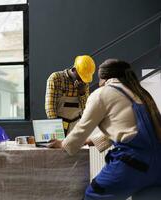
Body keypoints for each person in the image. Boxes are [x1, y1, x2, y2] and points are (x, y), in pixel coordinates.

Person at [49, 59, 161, 199]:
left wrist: (63, 144)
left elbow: (82, 128)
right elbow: (127, 128)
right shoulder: (140, 93)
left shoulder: (102, 93)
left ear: (103, 77)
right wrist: (89, 142)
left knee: (94, 195)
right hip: (158, 166)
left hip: (134, 163)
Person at [45, 55, 96, 135]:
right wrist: (55, 129)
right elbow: (50, 106)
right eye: (81, 77)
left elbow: (86, 108)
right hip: (60, 125)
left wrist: (82, 93)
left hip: (77, 125)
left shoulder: (84, 83)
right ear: (74, 69)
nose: (83, 80)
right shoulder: (56, 78)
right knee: (60, 147)